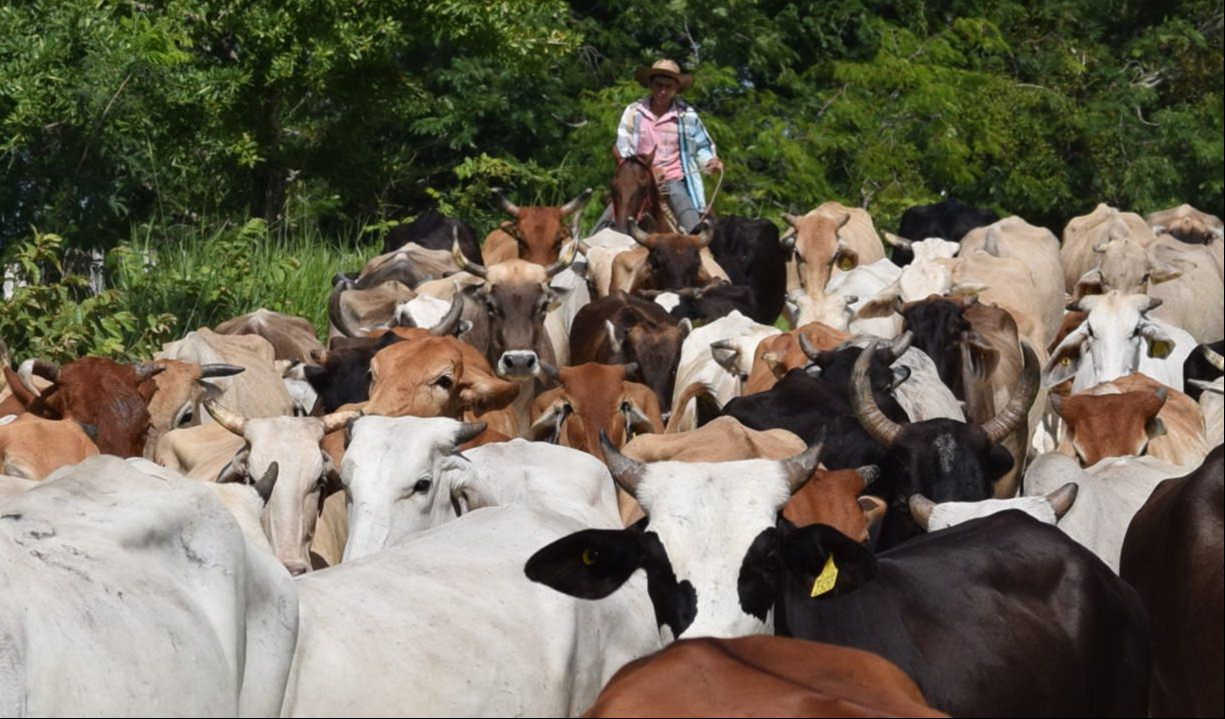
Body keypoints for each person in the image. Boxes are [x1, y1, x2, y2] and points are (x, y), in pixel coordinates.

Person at [614, 59, 723, 233]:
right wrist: (648, 170)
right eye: (658, 85)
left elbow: (700, 147)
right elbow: (623, 147)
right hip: (637, 180)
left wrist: (709, 160)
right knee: (610, 218)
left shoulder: (687, 115)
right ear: (650, 85)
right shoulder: (634, 112)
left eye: (668, 86)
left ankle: (699, 247)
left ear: (676, 88)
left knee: (695, 230)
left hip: (673, 180)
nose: (662, 91)